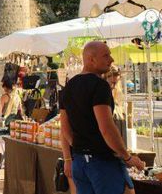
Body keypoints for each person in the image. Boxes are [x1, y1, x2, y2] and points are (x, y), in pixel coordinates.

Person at [60, 41, 145, 194]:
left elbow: (65, 128)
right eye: (106, 56)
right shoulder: (99, 85)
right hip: (102, 161)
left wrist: (82, 146)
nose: (111, 59)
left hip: (80, 162)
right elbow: (106, 128)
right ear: (91, 60)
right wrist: (127, 157)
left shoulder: (68, 87)